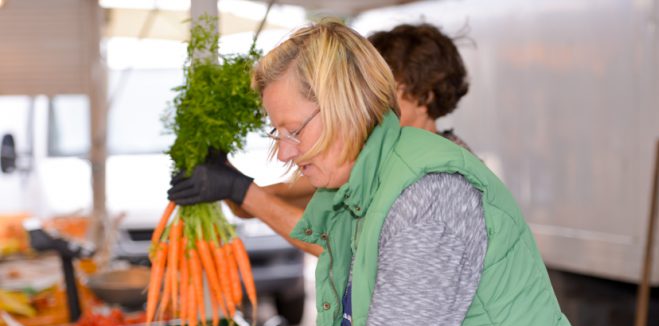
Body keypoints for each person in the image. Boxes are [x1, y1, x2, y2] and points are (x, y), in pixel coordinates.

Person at [164, 19, 611, 326]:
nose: (283, 152)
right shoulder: (346, 200)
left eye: (293, 129)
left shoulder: (429, 193)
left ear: (345, 107)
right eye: (277, 133)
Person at [167, 23, 472, 257]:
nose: (365, 98)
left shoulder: (442, 177)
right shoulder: (356, 163)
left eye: (384, 85)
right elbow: (260, 204)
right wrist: (229, 181)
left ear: (425, 96)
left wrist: (242, 191)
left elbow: (344, 253)